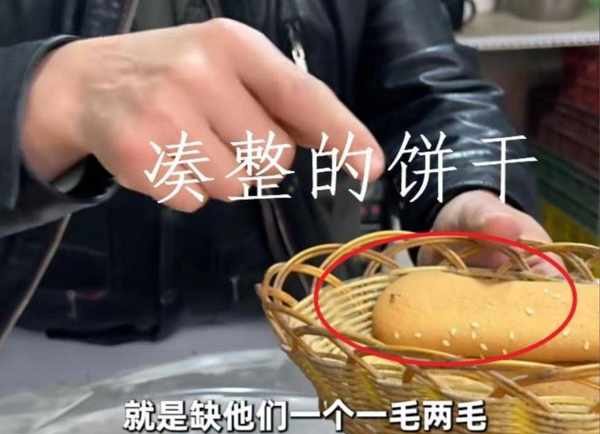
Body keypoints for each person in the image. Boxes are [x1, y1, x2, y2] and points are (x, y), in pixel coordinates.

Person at [0, 0, 552, 345]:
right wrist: (36, 99)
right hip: (43, 335)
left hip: (320, 332)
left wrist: (470, 191)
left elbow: (429, 86)